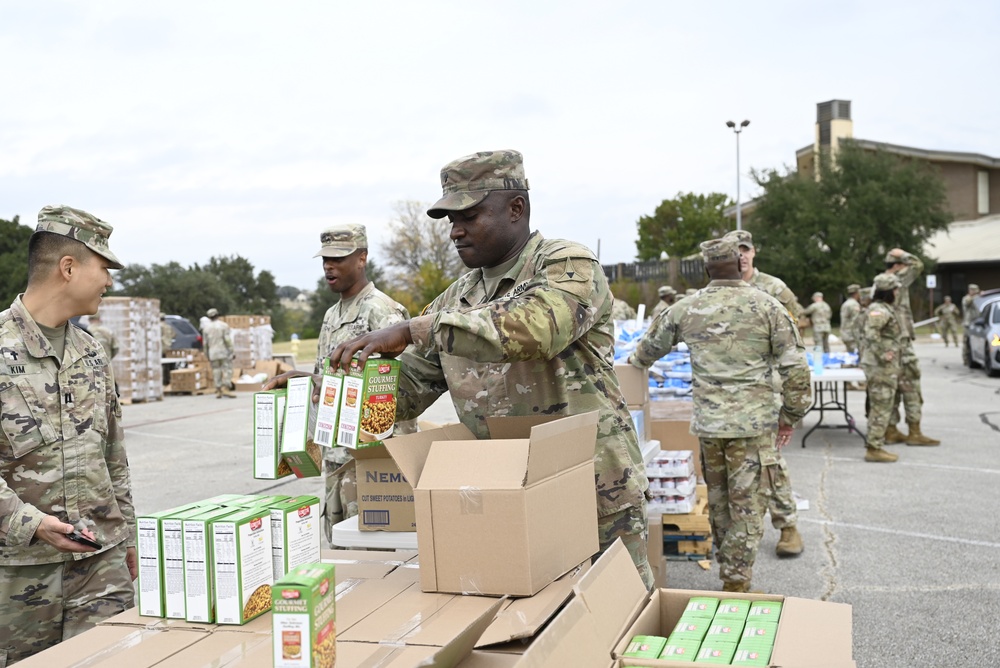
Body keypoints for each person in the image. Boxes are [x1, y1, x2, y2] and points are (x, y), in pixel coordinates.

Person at [326, 149, 652, 588]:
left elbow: (536, 328)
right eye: (449, 221)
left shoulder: (567, 265)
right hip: (503, 495)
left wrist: (414, 328)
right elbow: (411, 387)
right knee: (533, 631)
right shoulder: (453, 300)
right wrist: (346, 392)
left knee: (619, 615)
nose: (455, 232)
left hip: (591, 489)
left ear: (516, 207)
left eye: (469, 216)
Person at [628, 237, 811, 592]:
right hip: (753, 426)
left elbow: (645, 352)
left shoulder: (686, 308)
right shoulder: (767, 305)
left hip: (710, 427)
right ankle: (736, 583)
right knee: (748, 507)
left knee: (721, 503)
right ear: (738, 264)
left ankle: (732, 578)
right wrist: (790, 415)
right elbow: (797, 371)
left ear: (707, 268)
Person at [0, 205, 136, 664]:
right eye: (104, 268)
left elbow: (114, 454)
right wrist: (32, 524)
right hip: (18, 575)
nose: (109, 281)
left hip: (101, 566)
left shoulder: (93, 351)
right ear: (68, 267)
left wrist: (129, 538)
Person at [265, 224, 410, 543]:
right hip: (337, 459)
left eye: (338, 258)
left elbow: (399, 391)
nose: (329, 266)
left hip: (370, 460)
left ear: (362, 258)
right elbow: (326, 379)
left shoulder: (382, 311)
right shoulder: (333, 313)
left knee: (376, 550)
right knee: (341, 547)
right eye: (324, 259)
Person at [722, 230, 805, 558]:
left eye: (745, 249)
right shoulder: (718, 290)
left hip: (763, 388)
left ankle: (788, 525)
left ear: (754, 252)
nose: (741, 255)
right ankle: (735, 529)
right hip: (725, 390)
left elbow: (795, 339)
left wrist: (791, 395)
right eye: (734, 250)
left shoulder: (775, 288)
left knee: (769, 459)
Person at [880, 249, 939, 446]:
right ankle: (915, 432)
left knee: (892, 388)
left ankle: (891, 430)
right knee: (911, 386)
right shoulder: (898, 278)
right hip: (902, 342)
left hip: (887, 343)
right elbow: (918, 265)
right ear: (897, 265)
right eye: (902, 264)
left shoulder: (878, 283)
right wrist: (903, 254)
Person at [860, 274, 904, 463]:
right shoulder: (879, 310)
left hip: (882, 366)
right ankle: (874, 448)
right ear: (888, 291)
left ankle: (875, 443)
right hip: (881, 367)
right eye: (895, 289)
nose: (897, 292)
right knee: (881, 406)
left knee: (880, 404)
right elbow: (871, 334)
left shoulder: (883, 308)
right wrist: (883, 353)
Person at [202, 308, 236, 398]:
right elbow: (227, 340)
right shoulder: (223, 326)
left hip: (212, 352)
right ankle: (226, 387)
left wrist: (206, 354)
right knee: (227, 369)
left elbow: (205, 343)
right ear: (217, 315)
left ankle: (218, 389)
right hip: (223, 351)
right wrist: (232, 350)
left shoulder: (206, 328)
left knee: (216, 370)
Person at [840, 284, 862, 355]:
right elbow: (856, 321)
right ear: (857, 293)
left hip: (845, 333)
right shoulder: (854, 305)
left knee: (850, 355)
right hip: (852, 335)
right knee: (855, 356)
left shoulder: (846, 303)